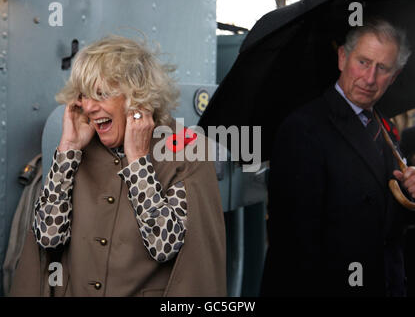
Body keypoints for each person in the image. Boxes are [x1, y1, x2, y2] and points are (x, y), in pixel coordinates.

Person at [9, 35, 227, 296]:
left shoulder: (188, 150)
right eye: (84, 96)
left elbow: (166, 245)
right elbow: (48, 236)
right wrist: (68, 149)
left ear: (137, 96)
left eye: (100, 94)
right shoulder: (79, 149)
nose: (89, 107)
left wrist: (138, 162)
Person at [261, 18, 415, 296]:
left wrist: (408, 195)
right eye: (363, 62)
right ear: (343, 57)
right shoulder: (303, 129)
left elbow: (383, 224)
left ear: (395, 75)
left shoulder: (384, 126)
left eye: (382, 69)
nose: (369, 79)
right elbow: (294, 245)